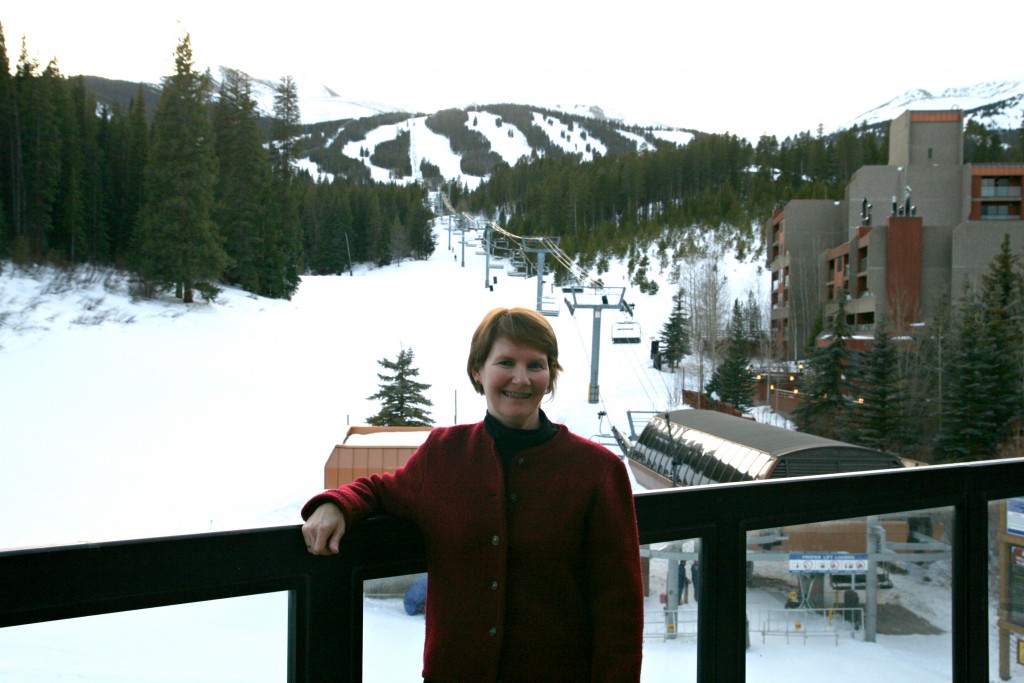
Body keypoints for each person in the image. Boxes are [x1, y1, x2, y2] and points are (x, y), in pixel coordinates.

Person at [302, 307, 644, 682]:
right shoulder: (444, 452)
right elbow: (381, 490)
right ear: (478, 371)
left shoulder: (597, 470)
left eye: (535, 365)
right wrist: (336, 505)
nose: (521, 378)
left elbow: (619, 610)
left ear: (551, 374)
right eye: (506, 362)